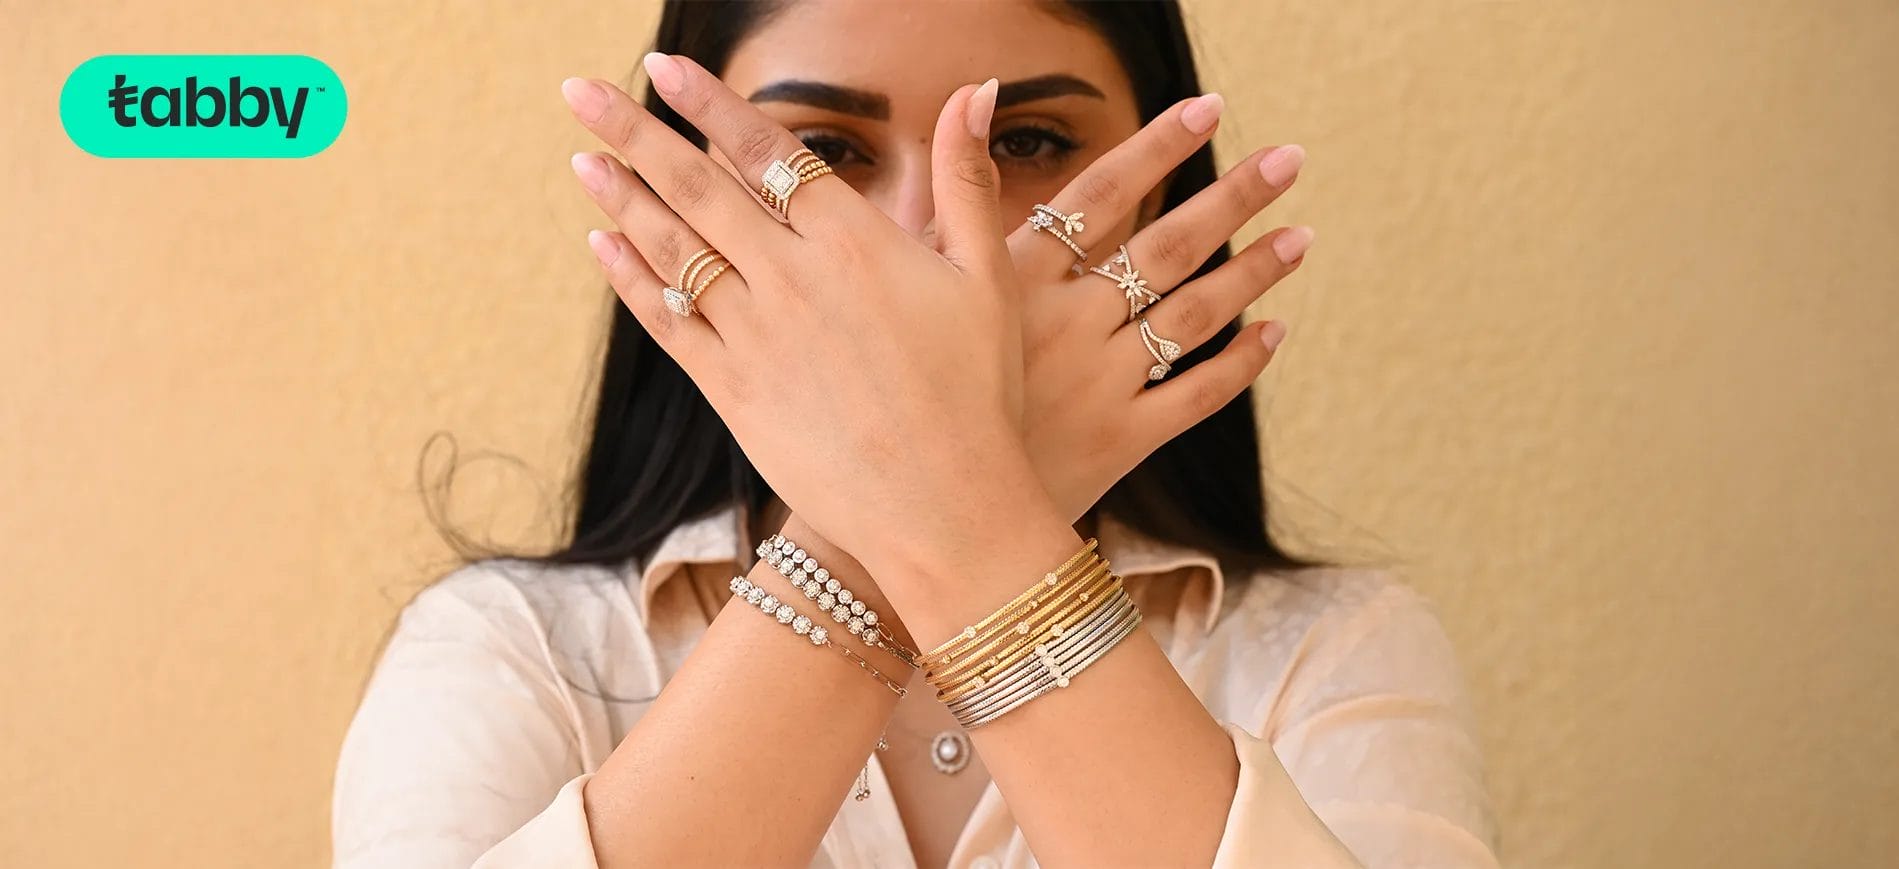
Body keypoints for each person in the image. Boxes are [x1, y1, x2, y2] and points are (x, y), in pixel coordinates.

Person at [331, 2, 1499, 866]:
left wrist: (953, 519)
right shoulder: (511, 650)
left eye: (1026, 143)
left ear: (1158, 190)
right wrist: (916, 510)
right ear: (681, 197)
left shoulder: (1326, 650)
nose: (930, 243)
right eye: (822, 157)